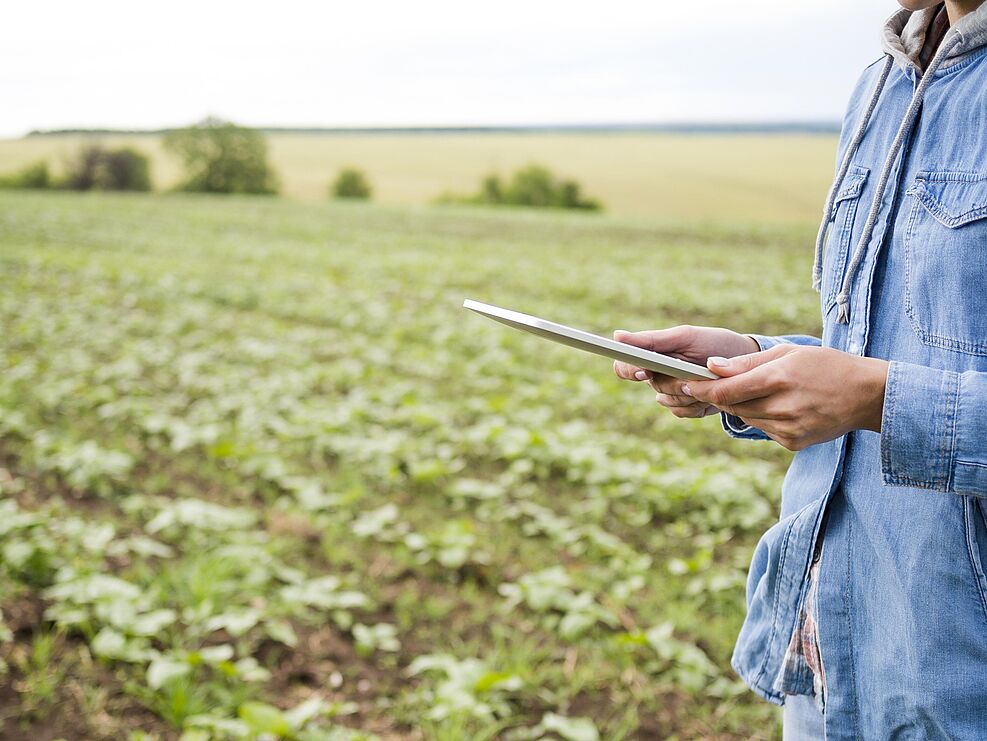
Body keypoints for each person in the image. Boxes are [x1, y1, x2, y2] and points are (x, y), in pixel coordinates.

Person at [613, 1, 987, 738]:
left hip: (957, 674)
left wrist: (878, 401)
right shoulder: (883, 79)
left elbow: (879, 386)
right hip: (832, 647)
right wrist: (752, 360)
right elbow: (887, 350)